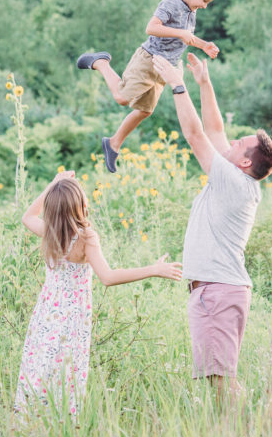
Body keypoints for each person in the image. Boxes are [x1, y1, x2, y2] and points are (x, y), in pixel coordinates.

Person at [150, 52, 272, 407]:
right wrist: (204, 83)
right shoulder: (237, 176)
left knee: (222, 384)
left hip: (217, 292)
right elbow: (216, 131)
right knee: (219, 380)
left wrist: (178, 85)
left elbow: (196, 135)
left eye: (239, 145)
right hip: (220, 291)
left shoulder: (233, 182)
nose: (230, 143)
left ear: (245, 162)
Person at [15, 170, 183, 416]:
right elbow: (108, 277)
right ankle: (61, 427)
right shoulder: (85, 238)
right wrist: (153, 269)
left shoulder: (50, 232)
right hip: (72, 321)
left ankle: (31, 422)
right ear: (82, 205)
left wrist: (52, 184)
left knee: (41, 368)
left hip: (46, 317)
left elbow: (27, 216)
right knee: (65, 376)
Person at [76, 0, 223, 174]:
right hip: (148, 60)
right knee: (121, 97)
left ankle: (113, 143)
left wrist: (203, 45)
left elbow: (186, 36)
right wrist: (180, 34)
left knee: (145, 110)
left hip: (164, 68)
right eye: (205, 0)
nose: (205, 6)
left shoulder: (191, 8)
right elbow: (151, 28)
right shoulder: (171, 3)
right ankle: (101, 63)